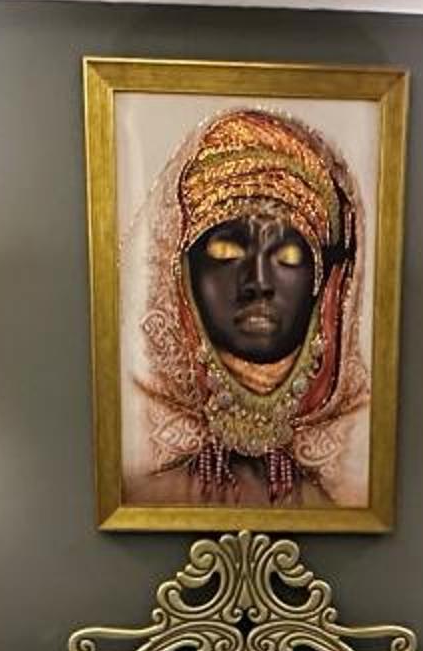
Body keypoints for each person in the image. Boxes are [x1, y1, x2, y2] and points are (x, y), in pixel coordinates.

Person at [132, 107, 370, 505]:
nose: (258, 282)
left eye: (288, 256)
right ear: (183, 275)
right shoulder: (144, 490)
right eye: (227, 251)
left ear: (323, 286)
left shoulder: (345, 493)